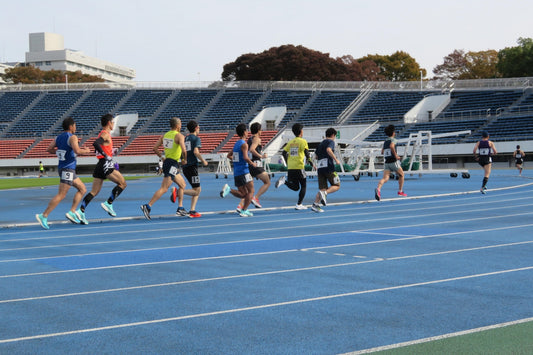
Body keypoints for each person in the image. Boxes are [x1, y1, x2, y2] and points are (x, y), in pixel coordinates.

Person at [35, 117, 91, 229]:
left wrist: (61, 151)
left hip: (65, 168)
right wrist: (87, 150)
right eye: (75, 125)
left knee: (82, 189)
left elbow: (49, 149)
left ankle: (72, 211)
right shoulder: (72, 137)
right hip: (68, 168)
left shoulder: (58, 137)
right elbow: (77, 151)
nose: (75, 127)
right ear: (71, 127)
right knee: (61, 194)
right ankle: (44, 215)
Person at [77, 113, 127, 223]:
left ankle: (81, 211)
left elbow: (99, 144)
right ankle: (108, 203)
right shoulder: (105, 134)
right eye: (113, 122)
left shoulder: (103, 133)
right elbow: (96, 143)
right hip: (105, 163)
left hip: (100, 164)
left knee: (94, 191)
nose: (113, 124)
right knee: (123, 183)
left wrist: (107, 154)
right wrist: (106, 155)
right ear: (109, 123)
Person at [141, 117, 187, 220]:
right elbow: (184, 151)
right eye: (180, 124)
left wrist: (162, 157)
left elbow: (155, 148)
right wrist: (184, 160)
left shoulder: (165, 135)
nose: (181, 126)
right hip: (172, 164)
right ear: (177, 125)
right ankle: (148, 206)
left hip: (169, 163)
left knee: (182, 184)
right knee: (164, 188)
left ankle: (180, 208)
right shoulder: (179, 136)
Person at [220, 123, 256, 217]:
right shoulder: (244, 144)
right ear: (244, 132)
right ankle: (244, 210)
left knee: (243, 194)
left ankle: (229, 190)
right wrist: (252, 163)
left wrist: (237, 161)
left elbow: (229, 156)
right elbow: (245, 157)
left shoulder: (236, 143)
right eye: (247, 130)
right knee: (251, 191)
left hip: (237, 172)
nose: (248, 132)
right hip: (244, 171)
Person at [275, 123, 314, 210]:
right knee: (303, 185)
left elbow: (284, 153)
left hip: (291, 167)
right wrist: (311, 162)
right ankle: (299, 204)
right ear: (300, 131)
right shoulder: (303, 141)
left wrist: (288, 161)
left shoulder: (291, 142)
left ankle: (284, 181)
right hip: (299, 166)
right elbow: (306, 152)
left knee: (296, 187)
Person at [175, 119, 208, 218]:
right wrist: (203, 161)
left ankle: (192, 210)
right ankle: (178, 192)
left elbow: (181, 152)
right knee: (197, 190)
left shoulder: (185, 139)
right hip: (192, 166)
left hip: (185, 167)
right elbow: (196, 152)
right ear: (196, 128)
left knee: (196, 189)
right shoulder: (196, 139)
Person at [237, 122, 271, 211]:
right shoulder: (257, 139)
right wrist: (262, 156)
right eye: (261, 130)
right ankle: (255, 198)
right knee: (267, 182)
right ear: (258, 130)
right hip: (256, 164)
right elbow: (252, 149)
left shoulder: (249, 139)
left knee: (248, 190)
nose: (262, 132)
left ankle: (240, 206)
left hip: (249, 165)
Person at [311, 127, 341, 213]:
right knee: (337, 185)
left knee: (323, 188)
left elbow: (316, 156)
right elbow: (329, 150)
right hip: (329, 167)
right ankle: (325, 194)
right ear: (332, 135)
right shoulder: (331, 142)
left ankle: (315, 205)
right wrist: (336, 159)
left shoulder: (320, 144)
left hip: (320, 168)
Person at [375, 124, 407, 201]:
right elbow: (392, 146)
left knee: (385, 178)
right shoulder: (394, 140)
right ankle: (400, 191)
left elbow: (382, 152)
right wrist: (396, 155)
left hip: (387, 162)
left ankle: (378, 189)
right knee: (402, 175)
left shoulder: (385, 141)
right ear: (393, 133)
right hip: (393, 161)